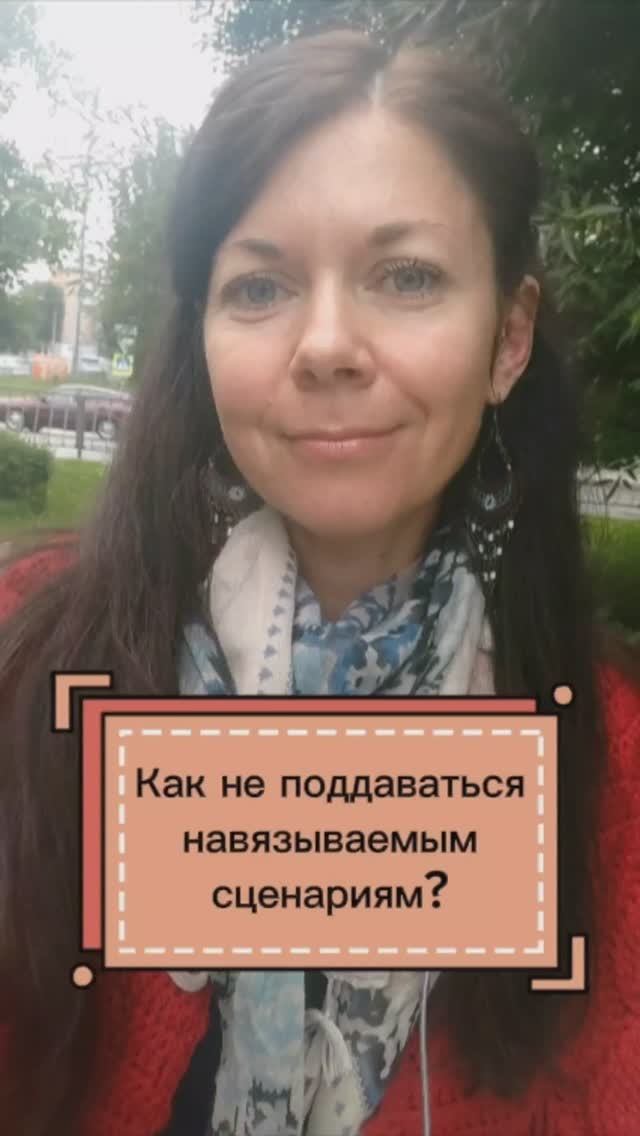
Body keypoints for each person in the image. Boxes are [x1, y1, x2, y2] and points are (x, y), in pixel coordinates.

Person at [1, 26, 639, 1136]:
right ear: (203, 336)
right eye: (260, 286)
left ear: (508, 337)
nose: (327, 343)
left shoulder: (614, 766)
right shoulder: (26, 666)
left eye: (406, 276)